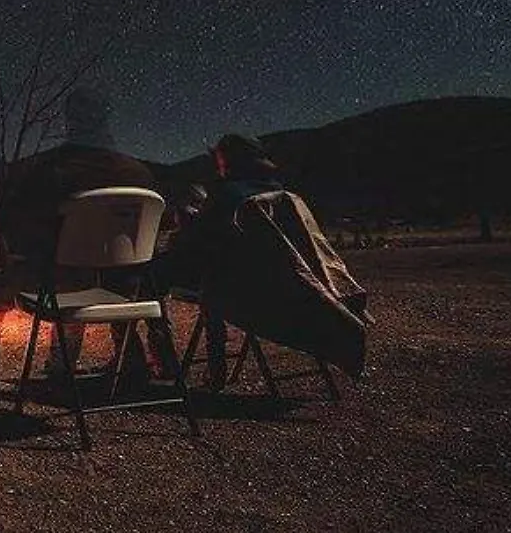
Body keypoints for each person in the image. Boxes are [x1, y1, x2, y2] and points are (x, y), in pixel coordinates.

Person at [0, 86, 164, 412]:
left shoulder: (55, 170)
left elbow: (13, 225)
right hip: (126, 288)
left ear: (71, 121)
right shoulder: (141, 174)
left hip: (69, 284)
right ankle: (131, 367)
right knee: (93, 271)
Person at [155, 132, 369, 387]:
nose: (218, 165)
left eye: (221, 159)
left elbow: (202, 243)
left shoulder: (229, 195)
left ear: (230, 161)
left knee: (158, 278)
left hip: (243, 288)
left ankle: (165, 361)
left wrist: (186, 226)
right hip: (282, 282)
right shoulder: (281, 194)